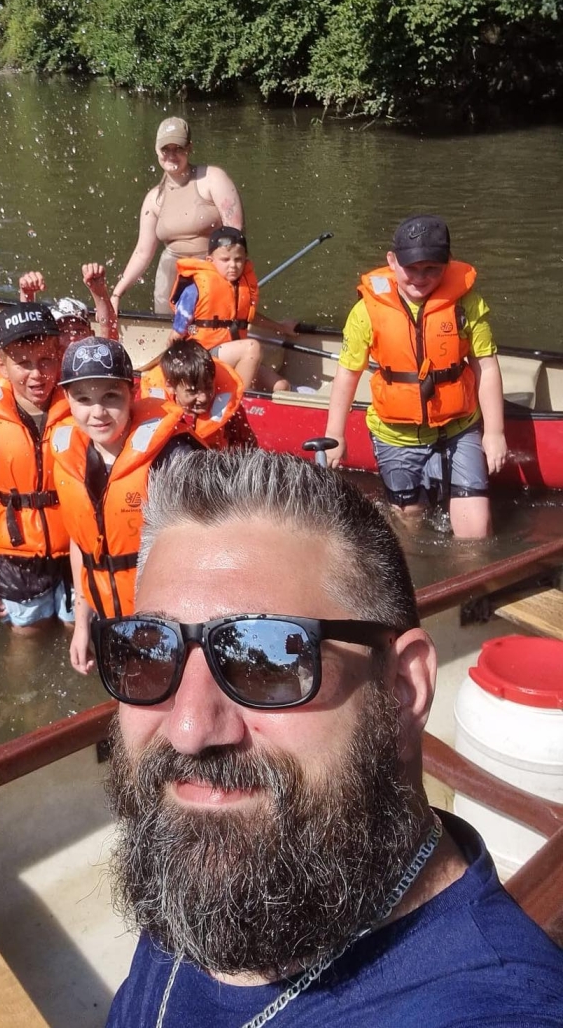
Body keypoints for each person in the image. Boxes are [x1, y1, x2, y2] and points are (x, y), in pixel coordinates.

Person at [98, 447, 563, 1027]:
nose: (189, 729)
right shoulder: (210, 871)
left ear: (403, 689)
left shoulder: (496, 1010)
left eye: (266, 659)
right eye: (149, 651)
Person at [324, 215, 507, 539]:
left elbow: (487, 367)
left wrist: (494, 432)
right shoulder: (366, 311)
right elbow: (347, 373)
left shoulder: (467, 303)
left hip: (459, 429)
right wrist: (335, 434)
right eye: (412, 268)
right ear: (392, 261)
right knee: (410, 525)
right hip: (397, 435)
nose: (420, 278)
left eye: (432, 269)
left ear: (447, 263)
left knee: (476, 533)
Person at [51, 337, 198, 674]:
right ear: (67, 399)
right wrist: (82, 624)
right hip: (109, 619)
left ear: (132, 392)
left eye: (110, 397)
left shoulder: (171, 459)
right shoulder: (70, 458)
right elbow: (83, 542)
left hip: (168, 626)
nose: (97, 412)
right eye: (83, 399)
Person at [0, 305, 72, 632]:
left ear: (60, 357)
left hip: (74, 551)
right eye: (23, 363)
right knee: (28, 638)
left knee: (77, 631)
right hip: (16, 559)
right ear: (1, 366)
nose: (36, 374)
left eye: (46, 360)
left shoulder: (80, 412)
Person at [111, 117, 243, 314]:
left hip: (212, 273)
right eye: (165, 149)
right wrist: (116, 294)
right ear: (157, 150)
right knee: (171, 330)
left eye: (178, 149)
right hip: (170, 278)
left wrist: (227, 277)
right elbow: (142, 253)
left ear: (189, 148)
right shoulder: (153, 199)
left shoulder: (213, 179)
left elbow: (235, 234)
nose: (171, 155)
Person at [169, 226, 291, 392]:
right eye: (225, 260)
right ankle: (237, 401)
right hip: (202, 357)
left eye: (238, 259)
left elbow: (247, 316)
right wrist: (175, 371)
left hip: (232, 354)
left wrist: (281, 327)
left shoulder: (240, 286)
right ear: (210, 260)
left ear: (245, 260)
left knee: (281, 386)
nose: (233, 265)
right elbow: (175, 335)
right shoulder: (194, 289)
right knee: (252, 347)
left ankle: (244, 395)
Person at [138, 338, 249, 451]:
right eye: (193, 391)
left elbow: (248, 447)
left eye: (208, 387)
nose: (203, 398)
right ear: (170, 386)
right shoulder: (149, 414)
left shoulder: (230, 409)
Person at [18, 263, 119, 346]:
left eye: (79, 331)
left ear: (91, 335)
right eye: (63, 332)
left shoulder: (95, 356)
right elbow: (28, 340)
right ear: (52, 339)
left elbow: (109, 332)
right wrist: (27, 295)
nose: (72, 337)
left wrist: (99, 291)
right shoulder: (49, 359)